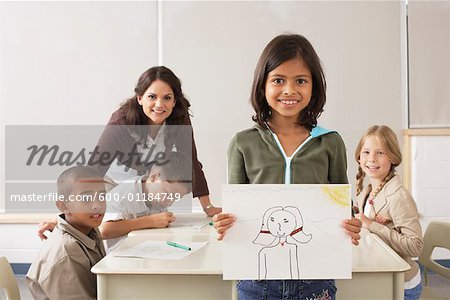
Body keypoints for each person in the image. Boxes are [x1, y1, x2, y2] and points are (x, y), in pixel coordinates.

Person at [212, 33, 362, 300]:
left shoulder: (330, 142)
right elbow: (236, 210)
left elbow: (343, 206)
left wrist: (351, 223)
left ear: (314, 87)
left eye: (301, 81)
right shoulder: (242, 143)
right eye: (278, 80)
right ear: (263, 86)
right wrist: (223, 223)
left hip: (317, 276)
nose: (290, 90)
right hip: (257, 276)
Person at [37, 66, 220, 240]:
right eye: (152, 97)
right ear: (140, 98)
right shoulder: (121, 121)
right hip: (111, 182)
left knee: (142, 231)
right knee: (97, 225)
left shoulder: (179, 118)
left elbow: (190, 162)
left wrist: (208, 207)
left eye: (167, 98)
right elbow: (93, 170)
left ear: (174, 100)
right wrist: (66, 214)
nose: (159, 104)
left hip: (146, 186)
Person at [354, 125, 423, 300]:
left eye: (380, 153)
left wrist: (371, 224)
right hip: (381, 272)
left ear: (392, 157)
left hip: (402, 285)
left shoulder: (398, 196)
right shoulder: (367, 190)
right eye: (366, 152)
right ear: (358, 156)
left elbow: (415, 246)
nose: (372, 159)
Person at [26, 166, 107, 300]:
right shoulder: (67, 253)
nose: (97, 204)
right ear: (63, 206)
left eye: (102, 196)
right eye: (86, 198)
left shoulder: (89, 229)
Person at [100, 151, 193, 251]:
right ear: (154, 177)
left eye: (176, 198)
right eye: (169, 194)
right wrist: (150, 221)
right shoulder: (124, 196)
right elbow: (104, 230)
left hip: (143, 250)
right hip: (117, 256)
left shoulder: (155, 194)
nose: (170, 202)